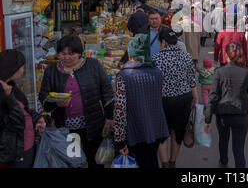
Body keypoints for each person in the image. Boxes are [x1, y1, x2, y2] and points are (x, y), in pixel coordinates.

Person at [39, 35, 114, 168]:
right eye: (63, 53)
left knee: (95, 159)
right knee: (73, 160)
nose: (66, 57)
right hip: (66, 126)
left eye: (71, 54)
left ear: (80, 53)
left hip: (92, 123)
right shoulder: (51, 71)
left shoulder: (93, 65)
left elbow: (107, 92)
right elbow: (43, 95)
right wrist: (55, 103)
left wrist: (110, 117)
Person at [113, 34, 169, 168]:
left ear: (130, 54)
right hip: (156, 129)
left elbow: (119, 110)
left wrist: (120, 140)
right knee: (151, 161)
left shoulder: (123, 76)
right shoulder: (158, 73)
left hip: (135, 132)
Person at [152, 27, 199, 168]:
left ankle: (165, 164)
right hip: (183, 100)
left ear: (164, 42)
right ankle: (172, 162)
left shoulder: (156, 58)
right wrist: (195, 99)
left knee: (163, 132)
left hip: (163, 101)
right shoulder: (186, 57)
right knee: (177, 132)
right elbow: (192, 81)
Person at [204, 42, 248, 168]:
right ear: (240, 54)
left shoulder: (219, 72)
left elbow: (213, 96)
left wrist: (207, 119)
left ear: (225, 54)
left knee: (223, 140)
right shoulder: (246, 72)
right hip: (241, 114)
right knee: (239, 149)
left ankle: (224, 161)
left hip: (223, 115)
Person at [0, 50, 46, 168]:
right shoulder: (5, 93)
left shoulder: (12, 86)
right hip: (16, 151)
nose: (23, 70)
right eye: (22, 66)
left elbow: (24, 109)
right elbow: (17, 123)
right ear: (11, 67)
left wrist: (37, 118)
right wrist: (9, 98)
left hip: (28, 145)